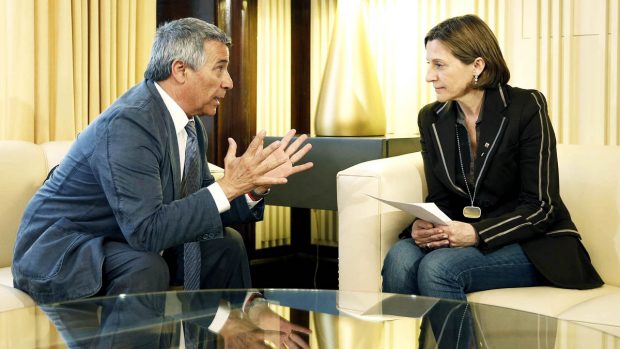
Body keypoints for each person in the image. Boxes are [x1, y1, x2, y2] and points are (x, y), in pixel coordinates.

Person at [12, 17, 311, 348]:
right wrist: (226, 186)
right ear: (181, 70)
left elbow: (193, 214)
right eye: (220, 68)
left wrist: (250, 188)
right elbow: (146, 233)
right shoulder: (130, 124)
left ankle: (239, 331)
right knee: (144, 266)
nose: (229, 82)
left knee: (225, 245)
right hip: (63, 251)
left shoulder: (190, 126)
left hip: (119, 238)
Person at [381, 14, 603, 348]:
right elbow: (442, 196)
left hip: (533, 242)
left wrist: (476, 233)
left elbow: (541, 206)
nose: (430, 76)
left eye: (439, 65)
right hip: (464, 235)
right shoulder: (432, 118)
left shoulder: (525, 107)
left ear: (477, 65)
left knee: (438, 268)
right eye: (429, 64)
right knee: (400, 256)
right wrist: (421, 225)